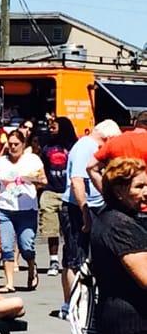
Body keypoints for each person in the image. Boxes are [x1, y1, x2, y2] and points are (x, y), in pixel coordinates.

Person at [59, 119, 121, 319]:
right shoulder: (86, 147)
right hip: (78, 208)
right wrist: (85, 213)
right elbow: (77, 181)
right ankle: (71, 305)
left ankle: (81, 302)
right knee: (75, 258)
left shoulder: (88, 145)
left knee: (86, 257)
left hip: (92, 206)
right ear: (107, 137)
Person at [0, 130, 47, 293]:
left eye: (16, 144)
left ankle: (32, 267)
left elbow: (43, 180)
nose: (12, 147)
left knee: (26, 246)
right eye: (10, 144)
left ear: (23, 144)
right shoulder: (2, 161)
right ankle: (9, 283)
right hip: (5, 209)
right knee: (6, 246)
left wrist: (29, 179)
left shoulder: (33, 160)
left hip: (27, 210)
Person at [91, 158, 147, 334]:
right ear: (119, 191)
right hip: (131, 324)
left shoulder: (114, 218)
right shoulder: (119, 225)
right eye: (139, 187)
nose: (146, 192)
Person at [39, 117, 77, 276]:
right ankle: (53, 260)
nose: (50, 129)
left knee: (70, 229)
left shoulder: (74, 146)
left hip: (68, 191)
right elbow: (42, 166)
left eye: (54, 127)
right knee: (51, 229)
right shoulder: (47, 146)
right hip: (50, 191)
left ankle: (70, 257)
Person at [87, 110, 147, 195]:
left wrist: (107, 195)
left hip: (120, 199)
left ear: (135, 123)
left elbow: (91, 167)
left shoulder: (114, 141)